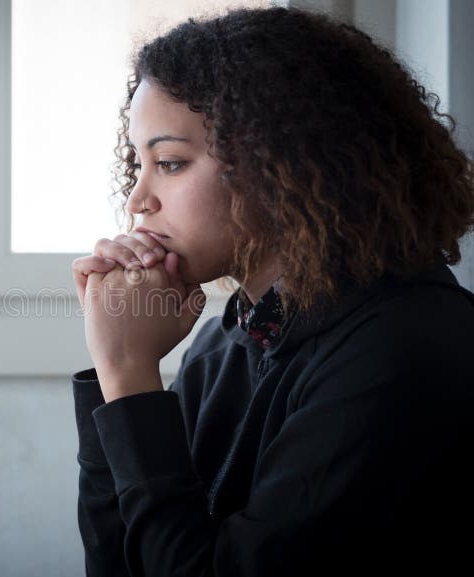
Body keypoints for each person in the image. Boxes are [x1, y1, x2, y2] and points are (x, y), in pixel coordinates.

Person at [70, 6, 474, 577]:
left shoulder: (402, 351)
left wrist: (130, 377)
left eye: (170, 162)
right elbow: (118, 564)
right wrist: (114, 379)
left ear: (279, 160)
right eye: (138, 164)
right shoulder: (224, 344)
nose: (138, 200)